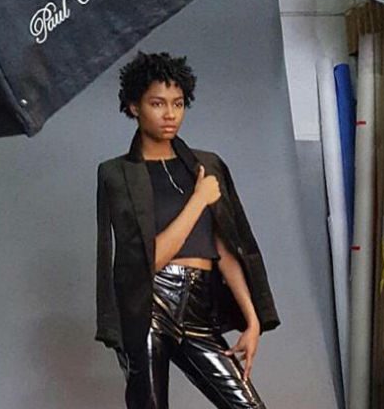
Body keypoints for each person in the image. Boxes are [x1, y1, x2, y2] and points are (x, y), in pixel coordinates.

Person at [96, 51, 281, 408]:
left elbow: (225, 248)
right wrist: (198, 200)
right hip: (149, 305)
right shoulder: (117, 174)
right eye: (157, 103)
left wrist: (252, 321)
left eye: (178, 103)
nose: (170, 114)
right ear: (134, 107)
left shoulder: (207, 165)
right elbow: (146, 261)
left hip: (199, 307)